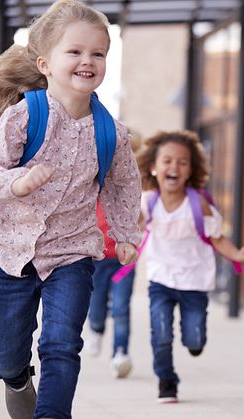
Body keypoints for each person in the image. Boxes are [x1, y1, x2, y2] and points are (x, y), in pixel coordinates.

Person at [0, 1, 141, 418]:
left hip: (72, 254)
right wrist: (17, 182)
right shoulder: (24, 116)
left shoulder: (111, 132)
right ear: (45, 62)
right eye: (74, 51)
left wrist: (126, 234)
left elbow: (124, 184)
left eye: (98, 53)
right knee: (7, 354)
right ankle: (17, 378)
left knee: (62, 345)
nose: (87, 61)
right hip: (13, 253)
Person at [136, 130, 244, 403]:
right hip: (161, 280)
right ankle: (166, 381)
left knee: (193, 340)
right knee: (161, 333)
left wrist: (237, 254)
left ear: (190, 170)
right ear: (154, 168)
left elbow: (217, 237)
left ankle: (194, 342)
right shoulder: (148, 202)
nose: (174, 167)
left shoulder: (198, 203)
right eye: (167, 161)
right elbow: (129, 229)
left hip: (194, 282)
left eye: (182, 162)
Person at [85, 133, 143, 379]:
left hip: (123, 261)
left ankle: (120, 353)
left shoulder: (131, 189)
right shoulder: (92, 186)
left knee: (121, 307)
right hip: (97, 258)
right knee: (96, 305)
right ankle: (96, 328)